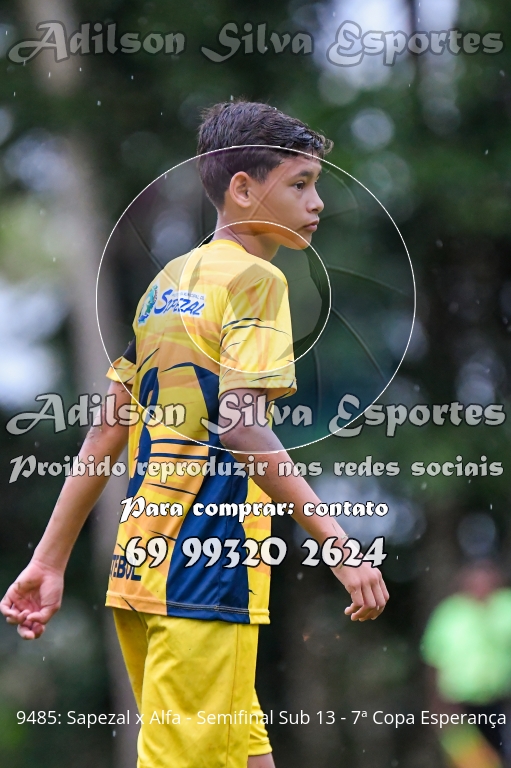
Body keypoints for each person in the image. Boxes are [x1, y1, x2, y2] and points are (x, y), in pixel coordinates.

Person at [1, 101, 389, 768]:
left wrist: (49, 559)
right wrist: (339, 543)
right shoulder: (257, 281)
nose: (317, 202)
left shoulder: (168, 282)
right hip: (205, 575)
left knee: (242, 755)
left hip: (141, 570)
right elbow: (241, 427)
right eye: (299, 183)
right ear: (242, 188)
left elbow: (106, 432)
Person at [422, 560, 511, 767]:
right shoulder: (450, 614)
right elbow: (434, 660)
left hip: (501, 701)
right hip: (458, 705)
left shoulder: (505, 607)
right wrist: (437, 706)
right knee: (472, 760)